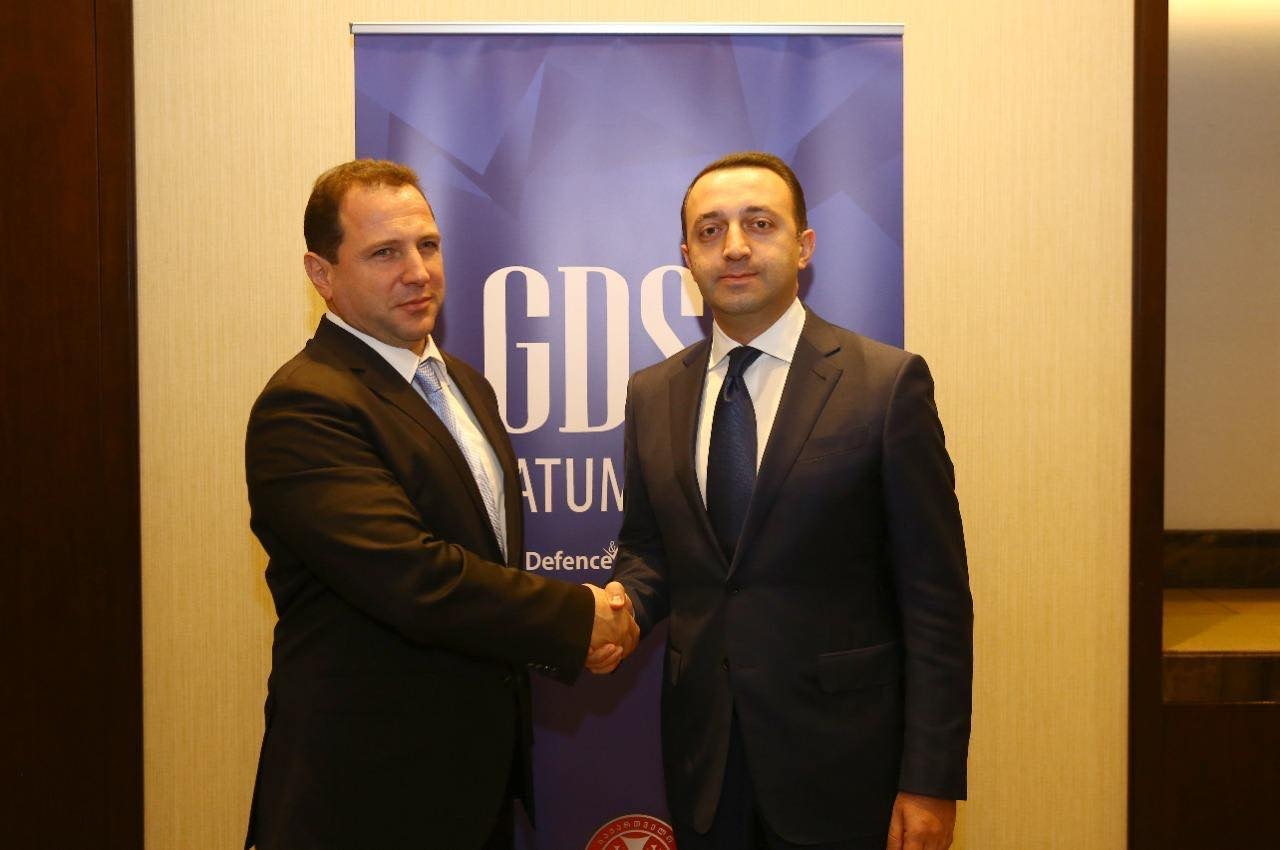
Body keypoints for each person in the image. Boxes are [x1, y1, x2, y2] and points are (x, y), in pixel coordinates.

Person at [243, 159, 637, 850]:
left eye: (427, 245)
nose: (418, 272)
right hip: (364, 795)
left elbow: (483, 562)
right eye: (384, 253)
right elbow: (413, 579)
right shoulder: (305, 404)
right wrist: (577, 618)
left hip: (474, 785)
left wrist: (572, 629)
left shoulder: (463, 384)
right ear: (321, 274)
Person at [601, 152, 972, 850]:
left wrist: (930, 779)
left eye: (760, 224)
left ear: (804, 246)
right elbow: (650, 552)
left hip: (846, 768)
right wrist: (615, 615)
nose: (735, 247)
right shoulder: (653, 393)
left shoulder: (886, 386)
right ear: (687, 257)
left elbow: (936, 602)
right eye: (711, 230)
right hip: (705, 764)